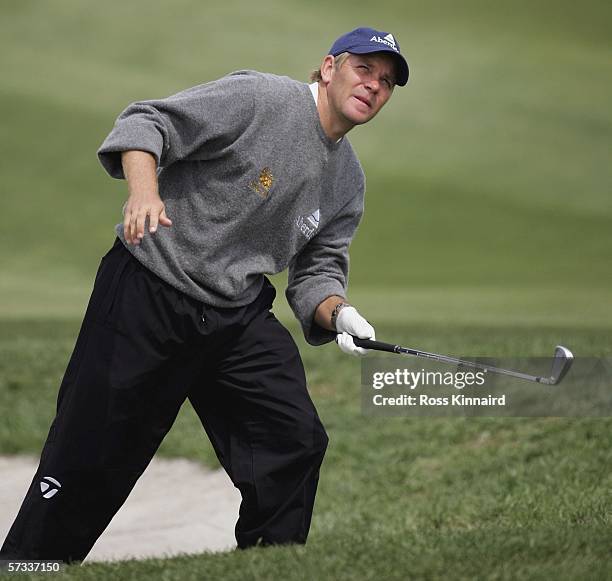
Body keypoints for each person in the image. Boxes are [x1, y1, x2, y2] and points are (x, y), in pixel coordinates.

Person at [1, 27, 409, 562]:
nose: (373, 87)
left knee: (293, 438)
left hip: (234, 316)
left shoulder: (347, 182)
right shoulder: (261, 99)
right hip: (149, 290)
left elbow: (316, 272)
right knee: (91, 451)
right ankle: (31, 565)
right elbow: (146, 122)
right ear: (329, 68)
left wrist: (339, 313)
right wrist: (144, 194)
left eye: (386, 82)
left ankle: (268, 566)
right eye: (364, 70)